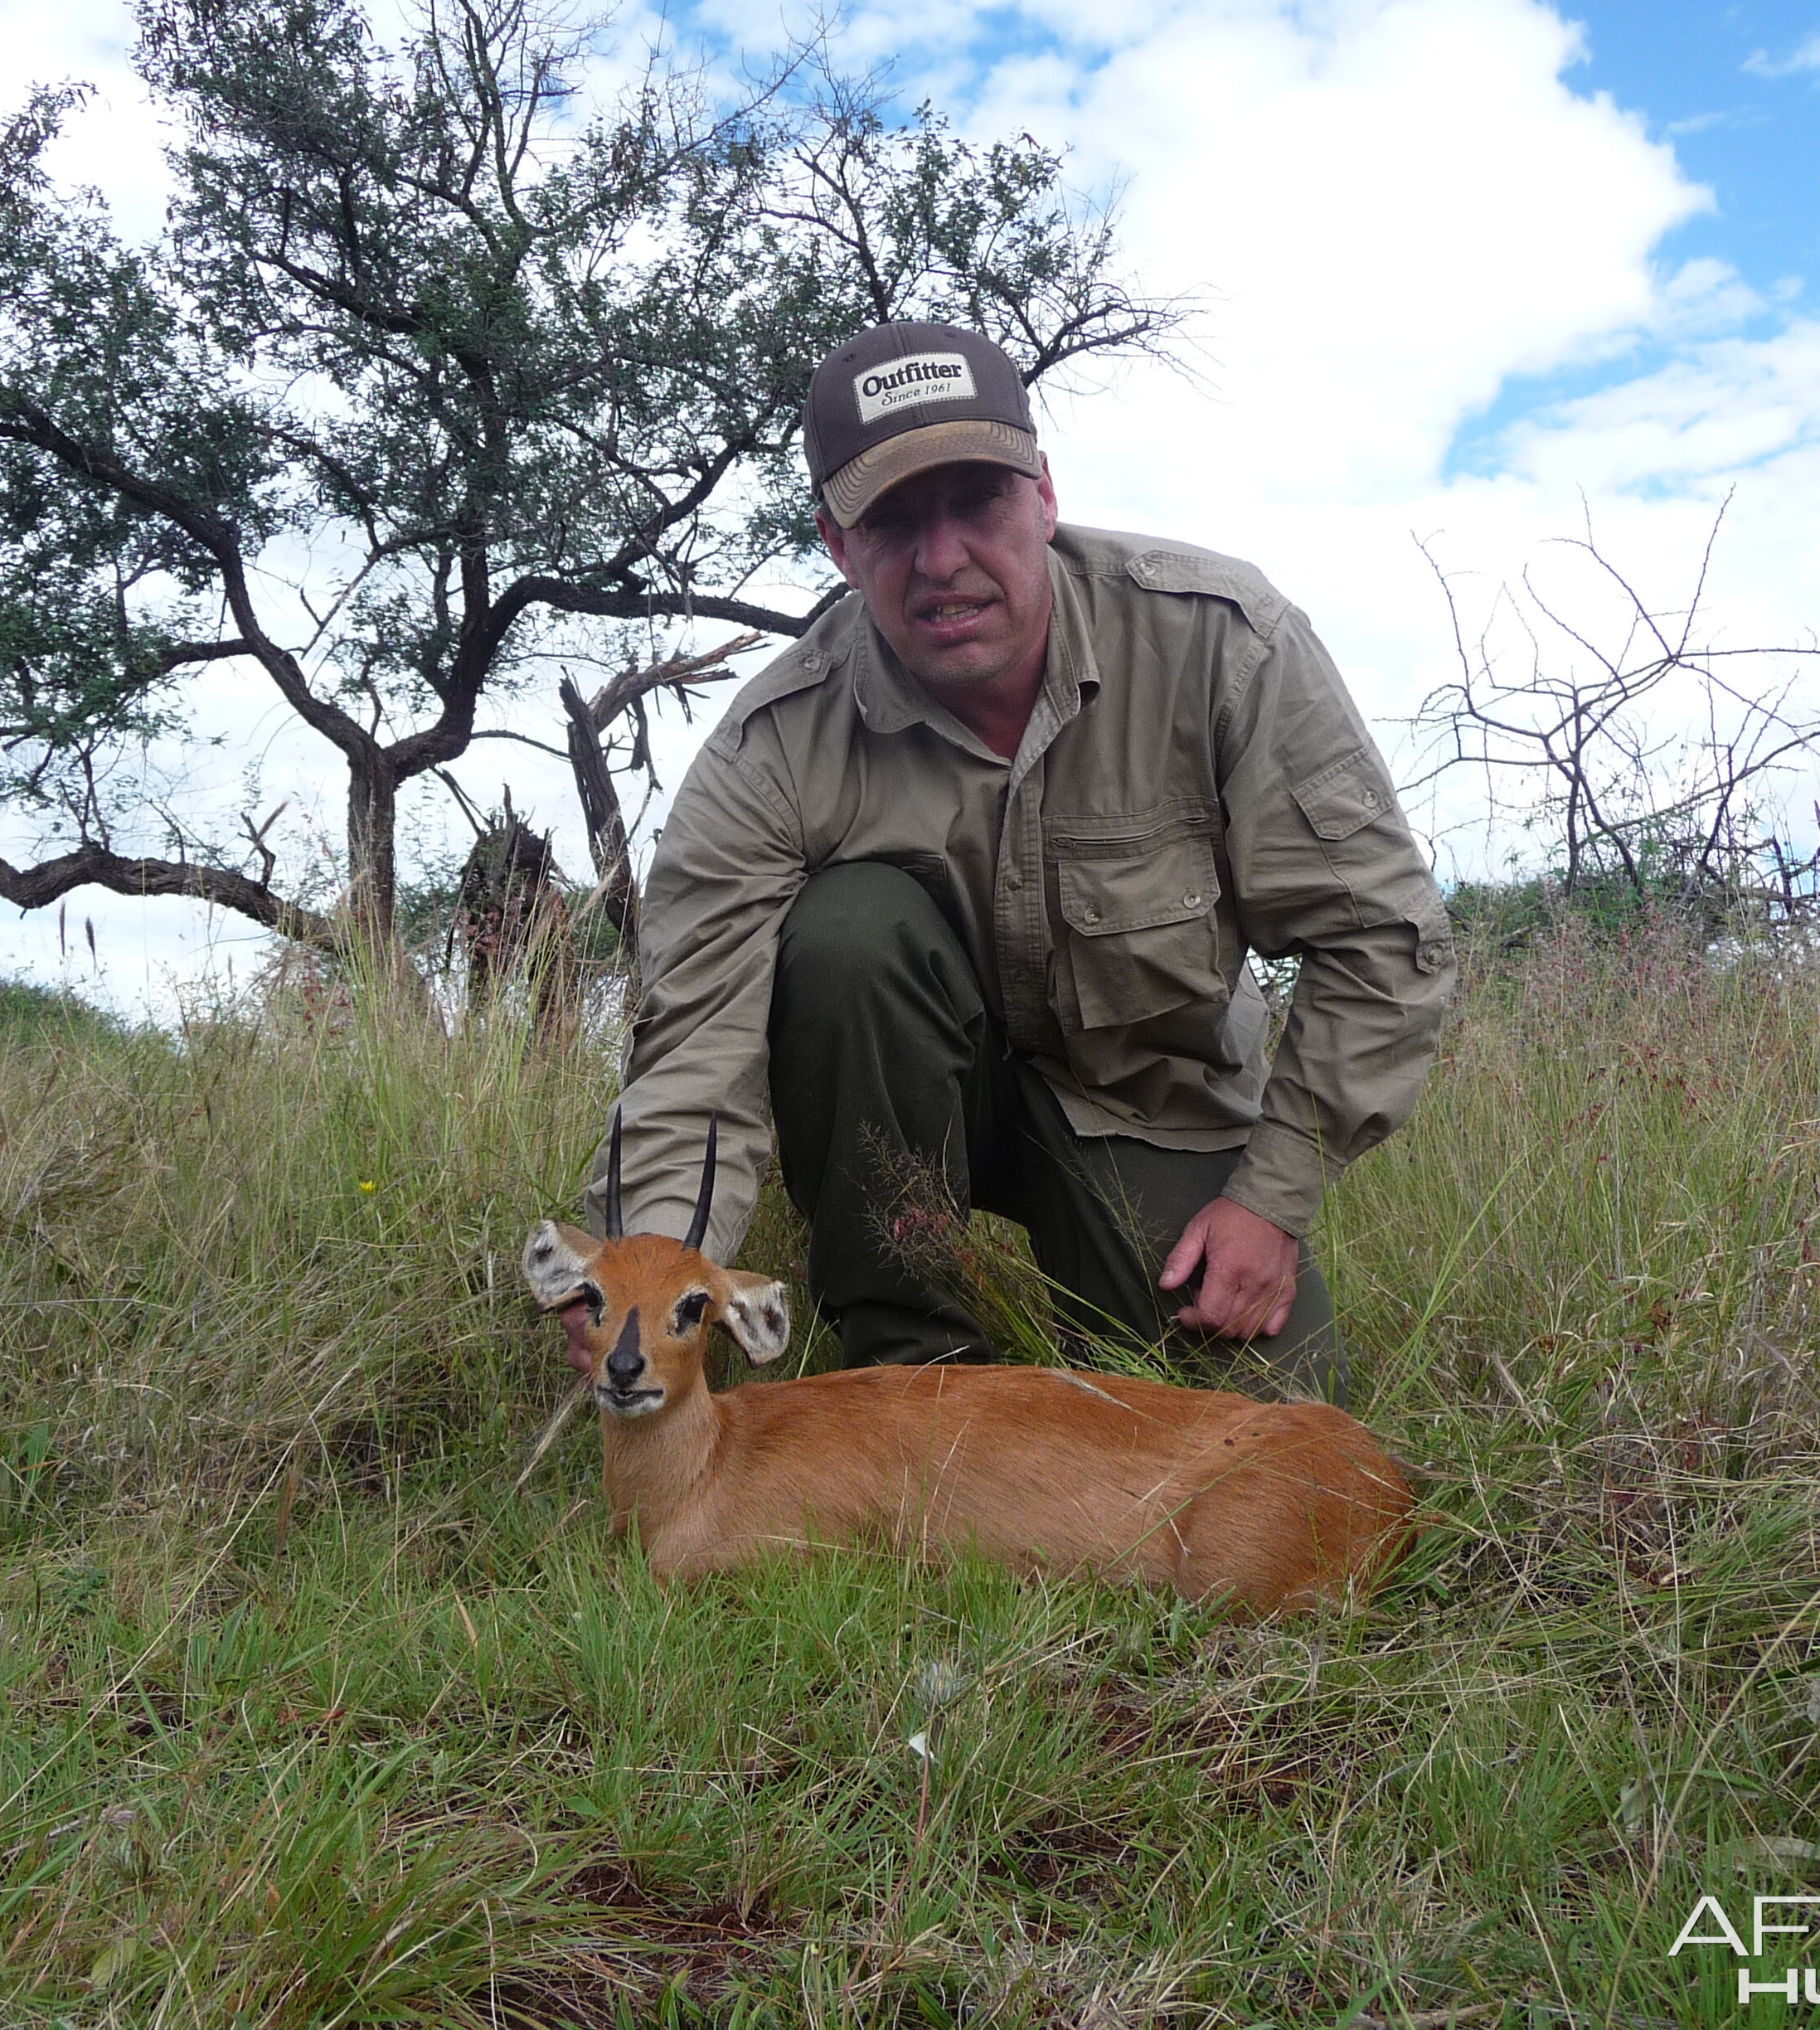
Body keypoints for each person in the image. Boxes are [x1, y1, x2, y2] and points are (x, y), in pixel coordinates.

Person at [567, 320, 1452, 1403]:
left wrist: (1270, 1201)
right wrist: (655, 1267)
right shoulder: (774, 744)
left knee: (1280, 1448)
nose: (943, 561)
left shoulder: (1226, 642)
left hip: (1148, 1106)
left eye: (976, 501)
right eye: (892, 520)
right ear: (838, 547)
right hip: (903, 1125)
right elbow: (695, 1048)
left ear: (1042, 493)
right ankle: (913, 1365)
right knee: (850, 931)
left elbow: (1379, 941)